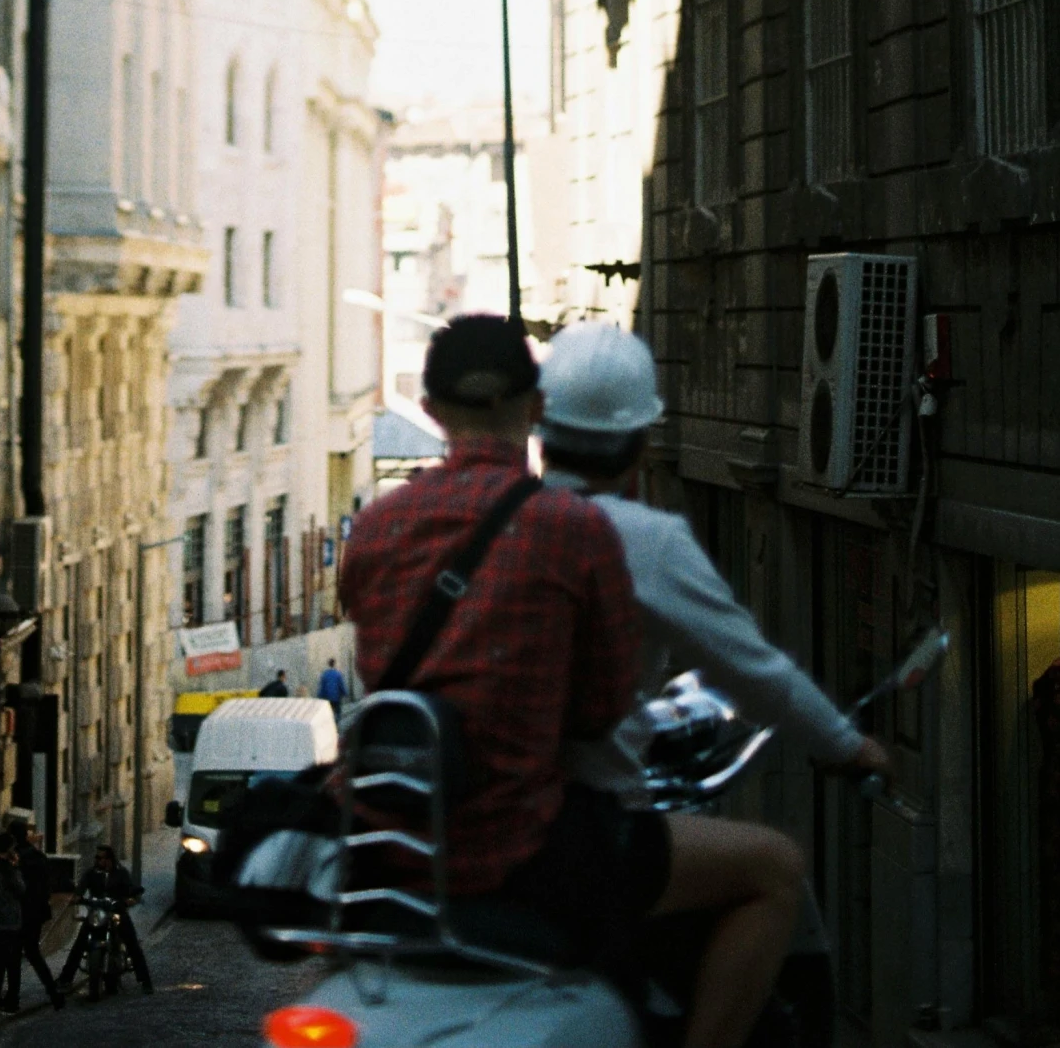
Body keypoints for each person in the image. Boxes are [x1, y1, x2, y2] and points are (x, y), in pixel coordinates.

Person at [536, 320, 896, 1048]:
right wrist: (846, 745)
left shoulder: (498, 524)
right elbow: (756, 670)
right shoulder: (645, 541)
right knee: (774, 868)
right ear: (641, 443)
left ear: (543, 434)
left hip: (474, 816)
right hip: (583, 829)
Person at [340, 317, 646, 998]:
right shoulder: (574, 528)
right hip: (523, 850)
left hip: (390, 845)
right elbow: (601, 710)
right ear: (536, 408)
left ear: (428, 411)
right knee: (764, 871)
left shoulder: (373, 529)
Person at [0, 829, 64, 1013]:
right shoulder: (20, 864)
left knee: (4, 960)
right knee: (23, 958)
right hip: (18, 920)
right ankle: (45, 995)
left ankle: (3, 999)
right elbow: (23, 889)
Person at [58, 844, 154, 997]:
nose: (97, 860)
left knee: (133, 944)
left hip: (116, 912)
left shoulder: (121, 873)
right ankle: (65, 979)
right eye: (96, 857)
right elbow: (81, 888)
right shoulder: (91, 873)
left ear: (109, 859)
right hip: (97, 913)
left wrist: (130, 898)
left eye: (100, 857)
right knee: (80, 942)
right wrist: (76, 897)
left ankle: (145, 980)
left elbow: (129, 888)